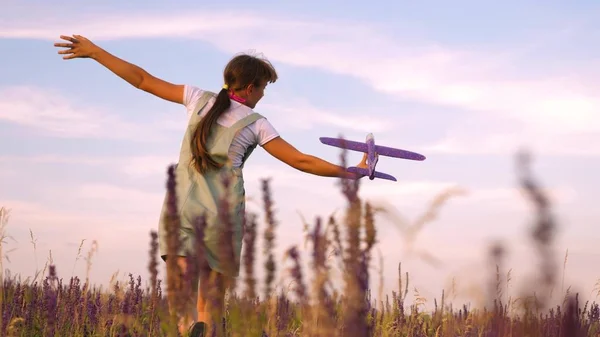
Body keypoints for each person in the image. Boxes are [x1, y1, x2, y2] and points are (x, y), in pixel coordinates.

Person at [54, 34, 368, 336]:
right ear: (248, 88)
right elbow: (301, 161)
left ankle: (186, 327)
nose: (262, 95)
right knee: (209, 304)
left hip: (183, 208)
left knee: (183, 300)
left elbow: (141, 79)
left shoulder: (197, 99)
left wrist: (95, 52)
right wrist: (351, 173)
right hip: (223, 216)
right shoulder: (257, 122)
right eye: (262, 89)